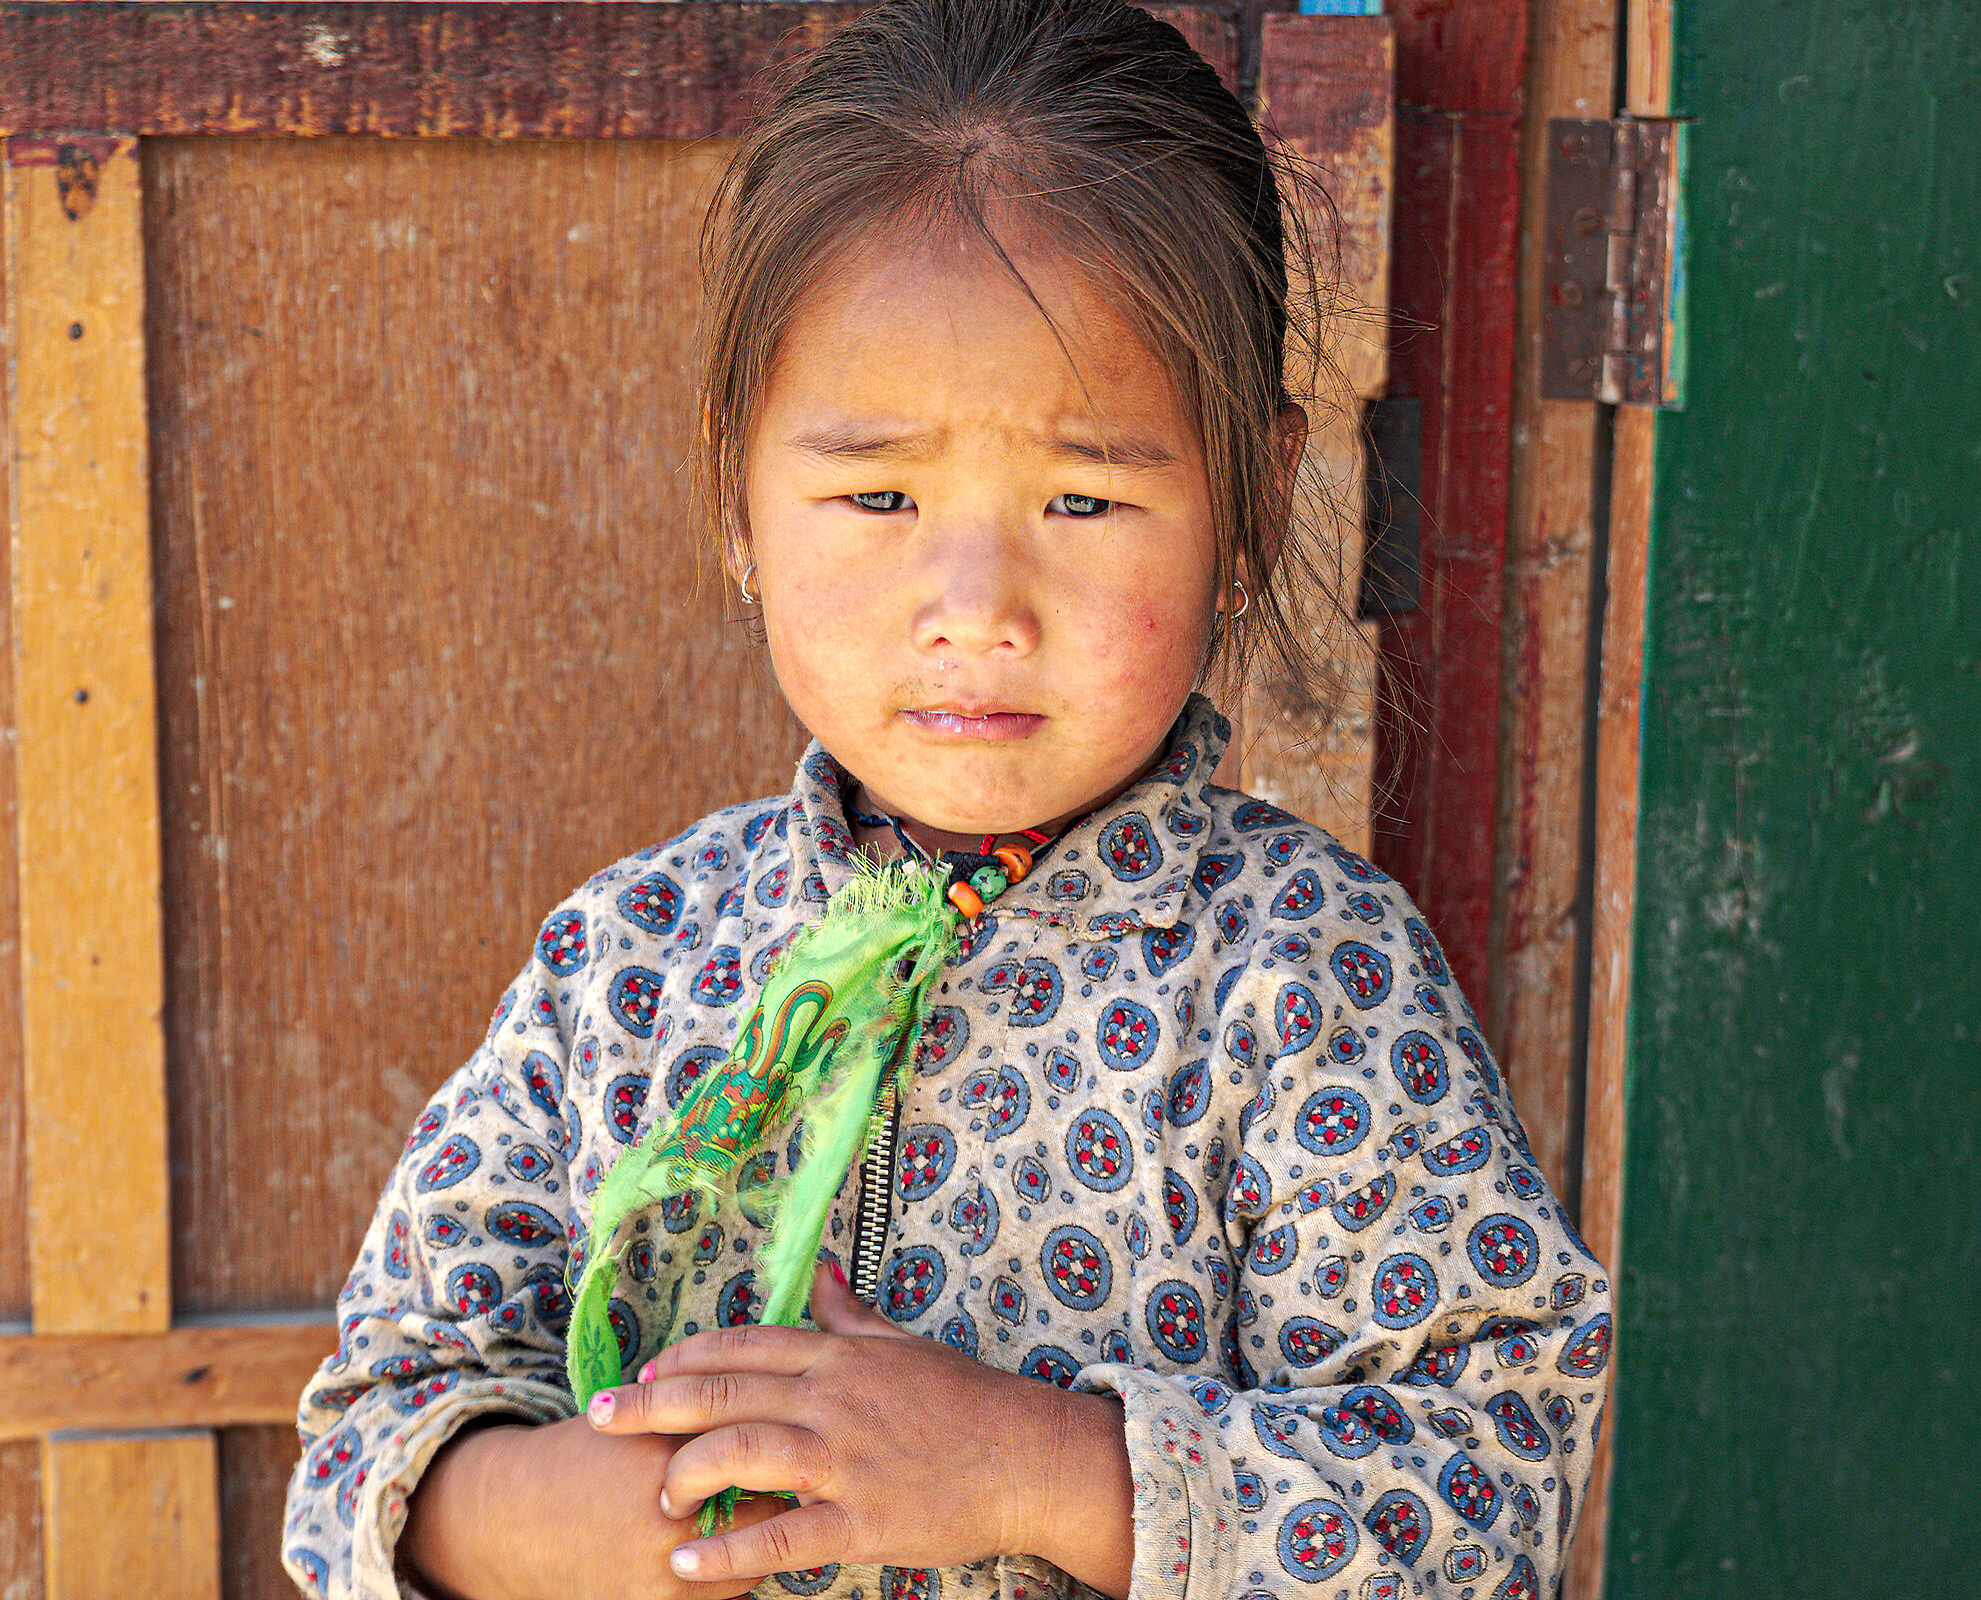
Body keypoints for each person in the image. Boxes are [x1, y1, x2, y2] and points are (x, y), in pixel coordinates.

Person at [281, 1, 1610, 1596]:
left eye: (1083, 494)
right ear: (737, 500)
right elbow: (371, 1437)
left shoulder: (1303, 981)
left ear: (1249, 510)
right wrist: (644, 1509)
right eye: (882, 493)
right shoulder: (628, 960)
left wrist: (1031, 1470)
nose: (976, 602)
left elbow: (1488, 1485)